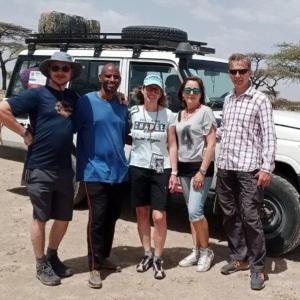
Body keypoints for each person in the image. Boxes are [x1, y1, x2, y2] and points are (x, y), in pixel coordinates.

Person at [0, 51, 82, 286]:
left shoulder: (73, 98)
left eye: (65, 69)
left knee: (64, 217)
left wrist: (119, 98)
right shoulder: (37, 95)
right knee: (40, 217)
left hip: (66, 168)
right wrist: (24, 133)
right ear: (48, 71)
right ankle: (40, 264)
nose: (60, 72)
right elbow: (2, 108)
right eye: (55, 68)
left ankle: (52, 255)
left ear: (70, 73)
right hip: (40, 166)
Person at [216, 53, 276, 290]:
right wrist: (210, 132)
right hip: (226, 166)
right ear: (229, 74)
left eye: (242, 71)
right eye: (233, 71)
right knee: (230, 214)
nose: (237, 75)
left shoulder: (260, 99)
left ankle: (258, 269)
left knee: (251, 218)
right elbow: (227, 131)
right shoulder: (229, 99)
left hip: (249, 169)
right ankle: (239, 258)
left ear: (250, 72)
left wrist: (266, 167)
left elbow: (269, 135)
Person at [75, 63, 129, 289]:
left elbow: (126, 134)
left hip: (118, 171)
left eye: (116, 76)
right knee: (97, 219)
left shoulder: (122, 104)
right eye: (108, 76)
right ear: (100, 77)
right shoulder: (86, 102)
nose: (112, 80)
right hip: (94, 170)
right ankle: (94, 266)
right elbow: (70, 126)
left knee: (111, 216)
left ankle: (104, 256)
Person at [129, 74, 177, 280]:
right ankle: (147, 254)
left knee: (158, 215)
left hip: (161, 168)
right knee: (141, 212)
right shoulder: (132, 112)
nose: (152, 92)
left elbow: (172, 144)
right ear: (142, 90)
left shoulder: (169, 115)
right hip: (138, 166)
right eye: (149, 88)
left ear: (161, 93)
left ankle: (158, 257)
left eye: (156, 89)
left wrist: (174, 171)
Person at [175, 76, 217, 272]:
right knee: (190, 213)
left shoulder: (205, 112)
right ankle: (196, 250)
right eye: (188, 90)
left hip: (200, 169)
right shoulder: (179, 114)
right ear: (182, 93)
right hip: (184, 168)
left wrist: (201, 171)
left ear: (201, 94)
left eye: (196, 90)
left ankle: (206, 250)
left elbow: (211, 144)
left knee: (196, 211)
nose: (191, 94)